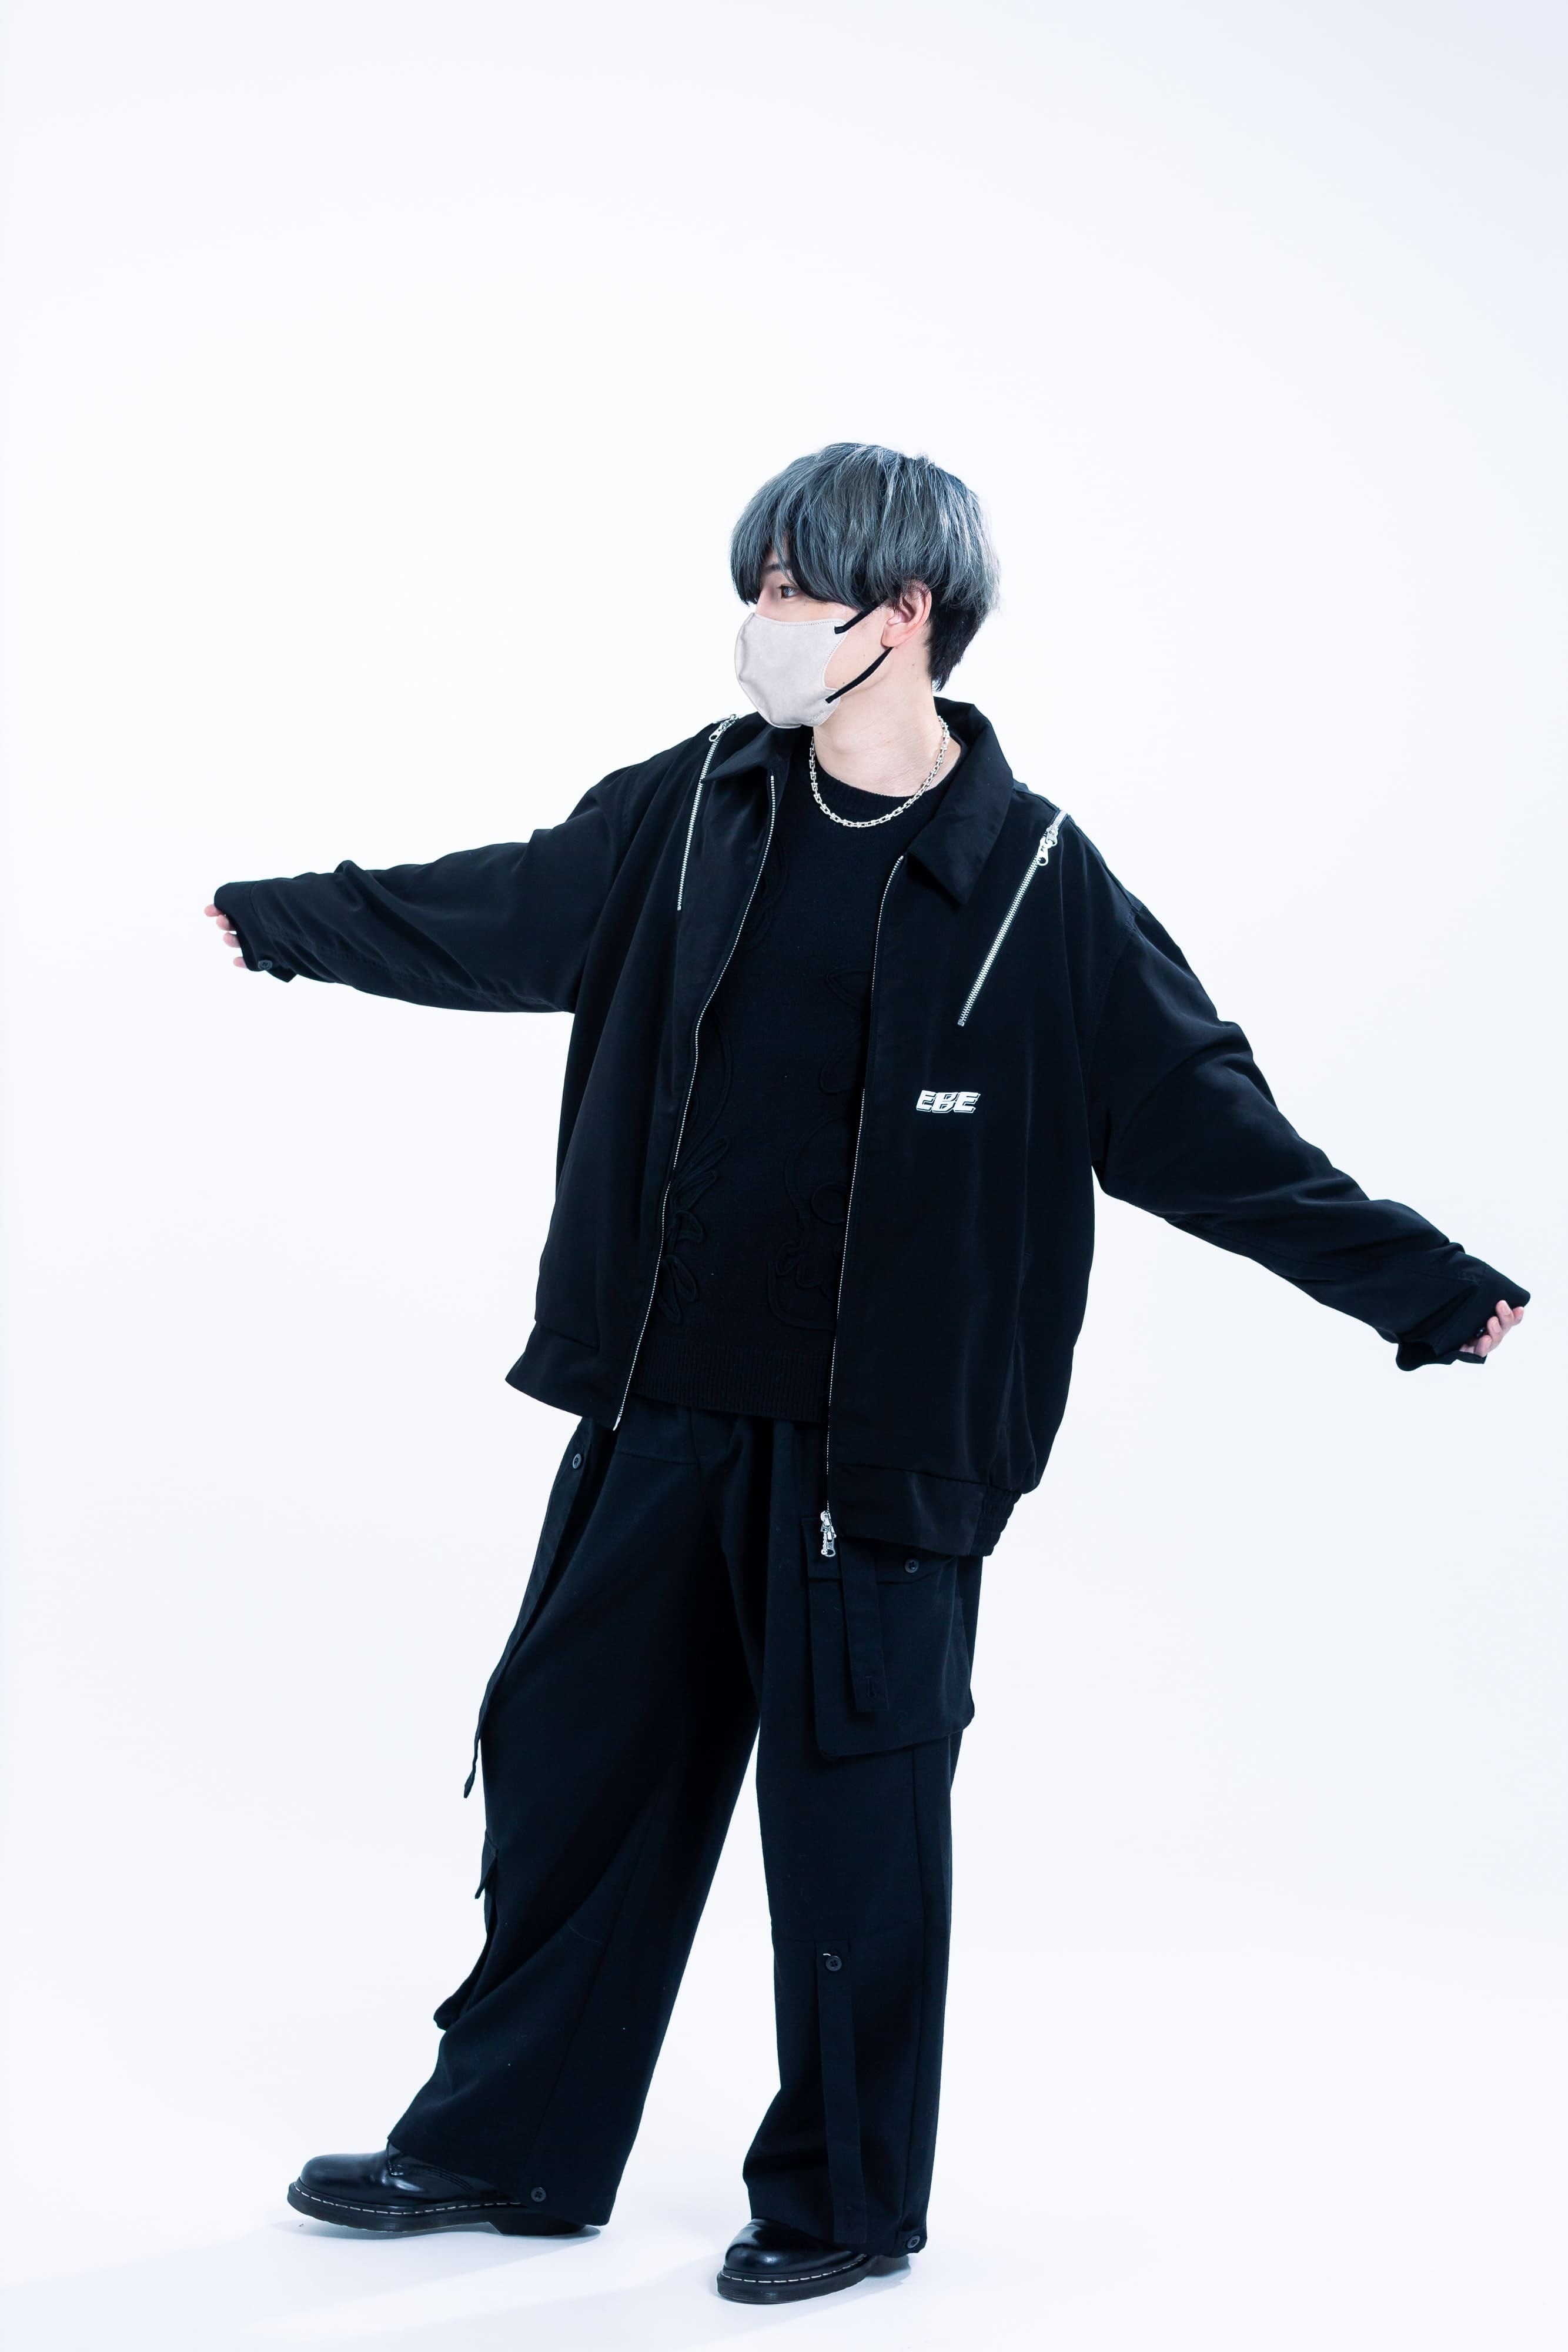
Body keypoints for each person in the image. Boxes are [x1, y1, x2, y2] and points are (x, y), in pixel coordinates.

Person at [206, 442, 1527, 2306]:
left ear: (901, 613)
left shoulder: (1034, 883)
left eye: (787, 594)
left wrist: (1422, 1286)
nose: (757, 626)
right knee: (570, 1784)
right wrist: (288, 922)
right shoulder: (695, 805)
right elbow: (513, 906)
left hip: (875, 1459)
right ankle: (507, 2150)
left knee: (853, 1846)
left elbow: (1205, 1127)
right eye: (752, 591)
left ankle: (839, 2202)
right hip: (655, 1416)